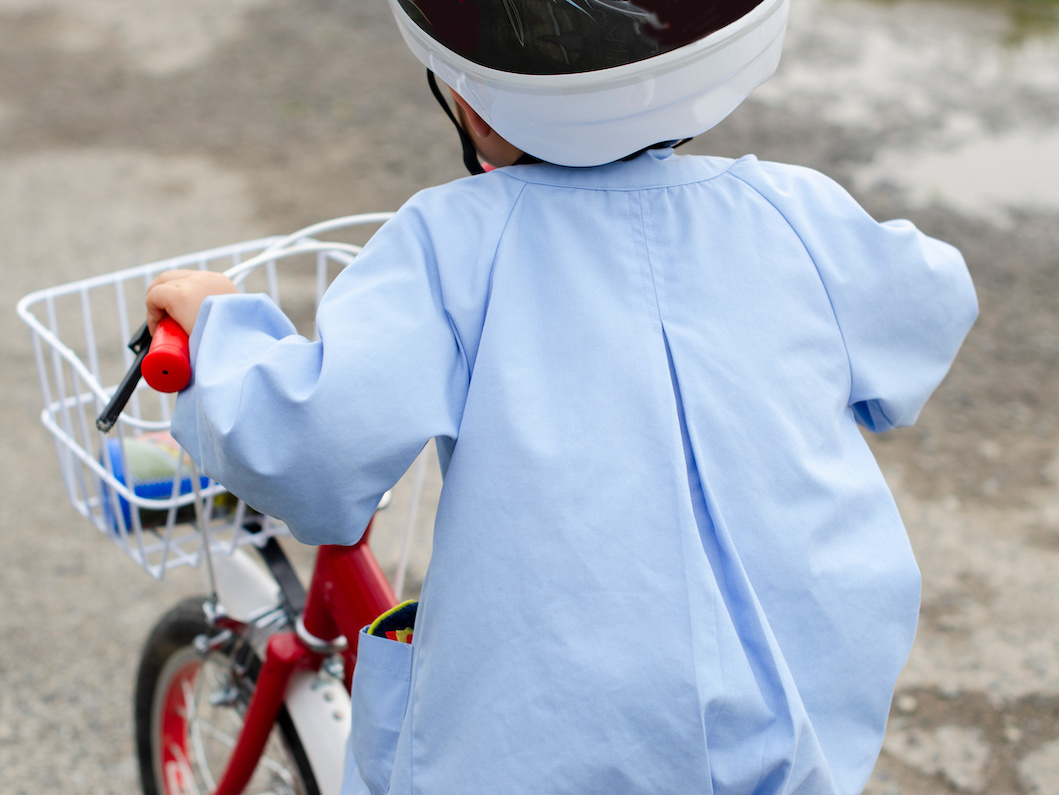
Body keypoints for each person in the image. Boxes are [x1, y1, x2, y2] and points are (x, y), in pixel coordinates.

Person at [147, 0, 978, 792]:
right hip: (803, 704)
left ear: (469, 102)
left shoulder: (450, 242)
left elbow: (309, 449)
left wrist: (220, 335)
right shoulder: (793, 211)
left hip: (556, 743)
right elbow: (927, 309)